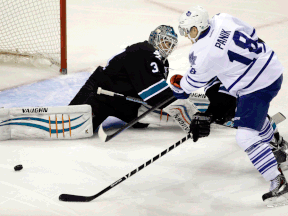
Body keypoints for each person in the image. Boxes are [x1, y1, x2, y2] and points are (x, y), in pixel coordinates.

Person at [170, 5, 286, 206]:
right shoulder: (223, 18)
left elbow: (188, 86)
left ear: (198, 27)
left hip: (257, 84)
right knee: (239, 109)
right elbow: (251, 33)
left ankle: (279, 183)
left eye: (190, 30)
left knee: (245, 135)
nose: (189, 35)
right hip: (270, 64)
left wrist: (176, 86)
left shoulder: (203, 52)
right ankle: (278, 145)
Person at [69, 25, 178, 132]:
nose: (169, 48)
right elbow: (155, 93)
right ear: (155, 39)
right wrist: (179, 104)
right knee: (75, 128)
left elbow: (156, 94)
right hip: (100, 94)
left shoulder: (163, 63)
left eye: (172, 45)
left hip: (123, 100)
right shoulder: (143, 51)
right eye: (167, 43)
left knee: (141, 122)